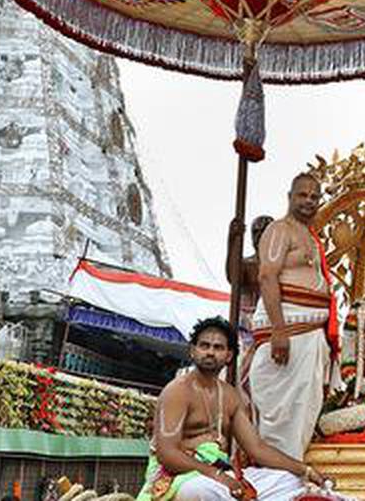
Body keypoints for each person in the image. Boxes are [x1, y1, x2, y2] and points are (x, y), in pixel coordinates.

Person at [138, 316, 327, 500]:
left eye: (218, 347)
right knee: (196, 490)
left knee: (289, 480)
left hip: (220, 474)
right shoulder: (177, 391)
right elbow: (167, 453)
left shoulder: (230, 395)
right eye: (204, 346)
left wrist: (305, 470)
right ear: (192, 351)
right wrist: (218, 476)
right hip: (182, 476)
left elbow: (257, 448)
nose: (210, 352)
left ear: (228, 355)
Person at [243, 174, 339, 459]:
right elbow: (267, 274)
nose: (309, 201)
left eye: (314, 196)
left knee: (301, 407)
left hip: (309, 333)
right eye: (303, 195)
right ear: (289, 196)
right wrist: (279, 329)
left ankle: (290, 469)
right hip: (288, 330)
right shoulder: (279, 229)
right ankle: (277, 476)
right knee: (283, 411)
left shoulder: (310, 236)